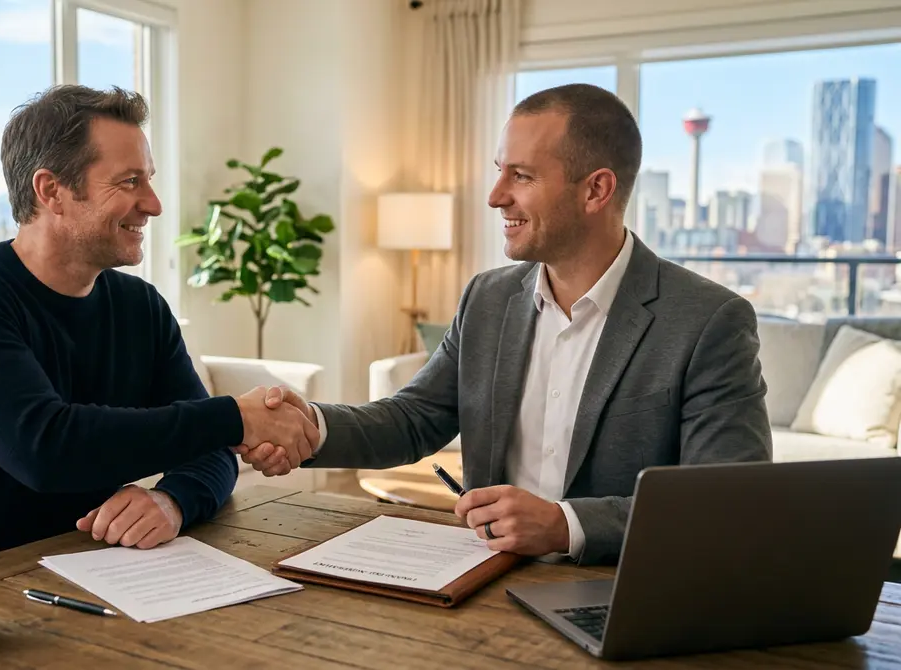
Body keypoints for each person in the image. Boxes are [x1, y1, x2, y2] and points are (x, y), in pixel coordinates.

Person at [236, 83, 772, 566]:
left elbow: (726, 501)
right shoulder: (487, 298)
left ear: (596, 190)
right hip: (480, 581)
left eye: (522, 175)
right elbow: (414, 418)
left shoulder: (708, 320)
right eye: (499, 170)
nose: (495, 196)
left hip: (623, 592)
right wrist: (311, 425)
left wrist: (566, 526)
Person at [0, 85, 318, 574]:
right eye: (129, 182)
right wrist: (236, 417)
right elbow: (45, 448)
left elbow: (210, 451)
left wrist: (173, 500)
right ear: (51, 191)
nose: (153, 204)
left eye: (148, 180)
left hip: (80, 574)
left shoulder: (141, 307)